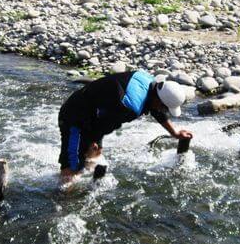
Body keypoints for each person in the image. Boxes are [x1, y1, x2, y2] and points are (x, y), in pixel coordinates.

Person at [58, 70, 193, 185]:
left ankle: (89, 182)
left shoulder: (148, 81)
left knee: (95, 154)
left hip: (94, 110)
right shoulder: (129, 106)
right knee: (72, 168)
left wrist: (174, 132)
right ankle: (62, 206)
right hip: (74, 118)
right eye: (165, 108)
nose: (164, 111)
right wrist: (90, 142)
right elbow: (103, 127)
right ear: (158, 100)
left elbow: (155, 109)